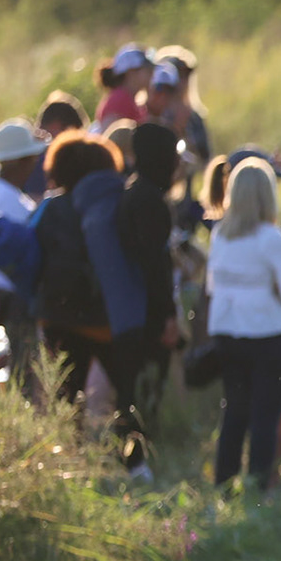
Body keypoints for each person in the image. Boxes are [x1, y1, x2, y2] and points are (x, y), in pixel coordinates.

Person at [33, 132, 153, 477]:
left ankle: (68, 466)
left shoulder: (51, 208)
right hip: (106, 320)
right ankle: (135, 464)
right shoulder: (114, 203)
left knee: (66, 400)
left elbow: (34, 256)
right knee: (128, 396)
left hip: (58, 318)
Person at [206, 159, 281, 492]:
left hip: (227, 333)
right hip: (268, 335)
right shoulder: (271, 238)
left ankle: (223, 486)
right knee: (265, 417)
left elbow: (213, 287)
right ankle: (258, 490)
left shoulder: (221, 235)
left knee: (234, 413)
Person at [121, 123, 184, 419]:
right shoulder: (149, 201)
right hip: (147, 313)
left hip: (134, 306)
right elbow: (155, 265)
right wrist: (167, 316)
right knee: (147, 391)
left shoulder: (134, 192)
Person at [0, 120, 43, 373]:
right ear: (18, 161)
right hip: (14, 291)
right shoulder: (9, 197)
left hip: (0, 286)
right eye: (29, 158)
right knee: (22, 358)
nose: (33, 165)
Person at [95, 45, 153, 129]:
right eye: (147, 69)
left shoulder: (130, 98)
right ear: (131, 72)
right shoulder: (119, 99)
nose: (152, 73)